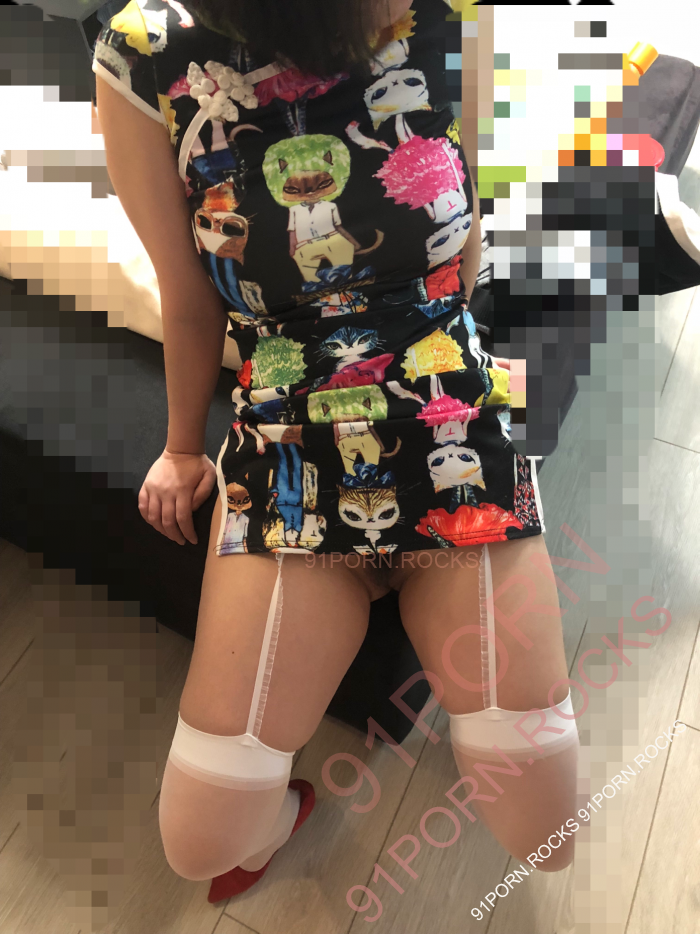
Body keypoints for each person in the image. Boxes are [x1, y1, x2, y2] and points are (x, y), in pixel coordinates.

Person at [93, 0, 580, 903]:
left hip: (445, 417)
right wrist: (182, 449)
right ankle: (290, 809)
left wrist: (469, 369)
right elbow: (188, 295)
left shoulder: (451, 14)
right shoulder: (145, 52)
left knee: (548, 831)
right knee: (201, 843)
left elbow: (466, 218)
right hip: (288, 436)